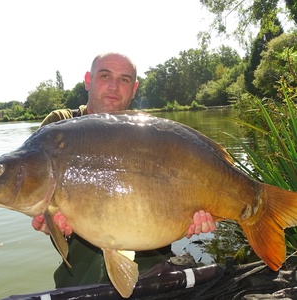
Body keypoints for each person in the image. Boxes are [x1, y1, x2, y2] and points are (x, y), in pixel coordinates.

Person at [32, 52, 216, 288]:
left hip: (154, 267)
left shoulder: (151, 132)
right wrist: (46, 221)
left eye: (124, 79)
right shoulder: (59, 126)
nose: (113, 87)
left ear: (135, 88)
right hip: (79, 273)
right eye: (105, 75)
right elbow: (38, 192)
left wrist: (197, 216)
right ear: (88, 80)